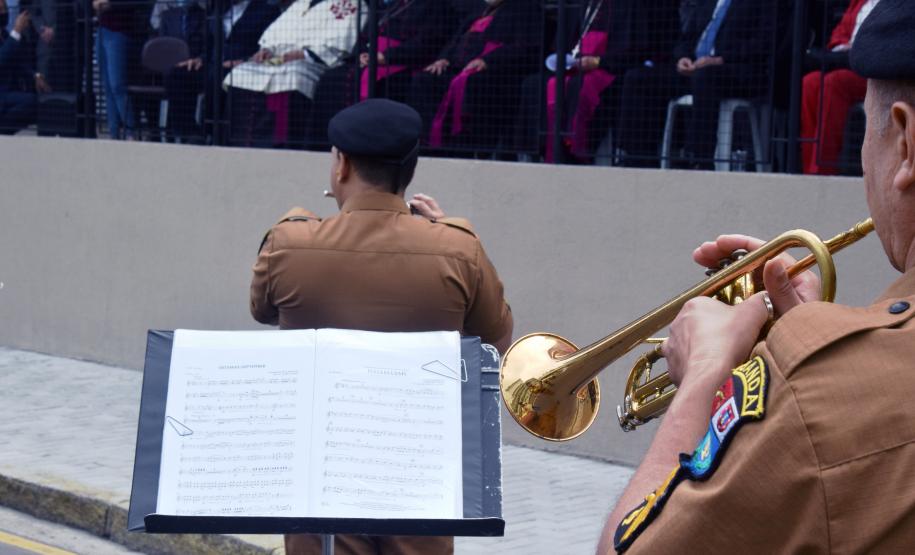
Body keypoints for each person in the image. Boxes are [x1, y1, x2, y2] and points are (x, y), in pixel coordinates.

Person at [599, 1, 915, 552]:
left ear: (905, 143)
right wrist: (809, 331)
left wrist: (704, 376)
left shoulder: (817, 394)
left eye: (869, 130)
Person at [250, 98, 514, 555]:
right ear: (409, 171)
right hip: (418, 469)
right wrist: (444, 231)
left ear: (342, 164)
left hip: (320, 469)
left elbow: (262, 309)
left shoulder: (289, 242)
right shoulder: (458, 249)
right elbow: (496, 341)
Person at [616, 0, 779, 168]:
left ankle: (698, 158)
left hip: (737, 70)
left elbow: (764, 42)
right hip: (697, 69)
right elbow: (686, 38)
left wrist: (721, 59)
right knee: (637, 78)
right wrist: (683, 58)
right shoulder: (708, 2)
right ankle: (636, 157)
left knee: (705, 77)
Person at [513, 0, 679, 162]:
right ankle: (539, 151)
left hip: (610, 69)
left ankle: (573, 149)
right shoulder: (585, 4)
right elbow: (564, 44)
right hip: (577, 67)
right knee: (534, 84)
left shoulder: (630, 4)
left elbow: (634, 52)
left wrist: (599, 61)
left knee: (582, 87)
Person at [305, 0, 456, 148]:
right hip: (373, 58)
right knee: (331, 78)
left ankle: (362, 142)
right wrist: (362, 54)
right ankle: (326, 143)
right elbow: (364, 36)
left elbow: (426, 42)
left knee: (374, 82)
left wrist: (386, 56)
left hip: (400, 60)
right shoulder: (393, 5)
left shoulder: (434, 4)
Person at [224, 0, 366, 147]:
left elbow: (340, 40)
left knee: (293, 76)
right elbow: (276, 32)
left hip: (313, 62)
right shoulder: (302, 3)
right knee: (240, 74)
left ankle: (281, 143)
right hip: (278, 60)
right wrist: (267, 50)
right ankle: (242, 141)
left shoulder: (349, 2)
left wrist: (304, 53)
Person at [407, 0, 539, 151]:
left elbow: (525, 48)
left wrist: (487, 60)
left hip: (495, 73)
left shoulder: (525, 8)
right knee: (425, 80)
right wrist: (444, 59)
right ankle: (429, 144)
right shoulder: (480, 10)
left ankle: (465, 147)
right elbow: (456, 40)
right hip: (459, 68)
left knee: (472, 84)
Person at [164, 0, 280, 141]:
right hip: (212, 65)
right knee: (178, 73)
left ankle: (211, 131)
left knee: (220, 75)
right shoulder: (219, 9)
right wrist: (199, 58)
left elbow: (269, 47)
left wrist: (244, 60)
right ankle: (189, 132)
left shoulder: (267, 10)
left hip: (241, 67)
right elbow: (210, 42)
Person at [800, 0, 880, 175]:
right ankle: (807, 170)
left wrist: (858, 49)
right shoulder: (859, 2)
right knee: (810, 83)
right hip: (848, 63)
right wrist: (844, 48)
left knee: (834, 83)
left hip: (876, 73)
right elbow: (839, 35)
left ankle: (822, 169)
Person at [0, 2, 46, 134]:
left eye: (4, 9)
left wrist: (35, 75)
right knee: (31, 102)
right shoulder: (11, 37)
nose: (3, 13)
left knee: (39, 101)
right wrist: (16, 32)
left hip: (8, 93)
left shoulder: (4, 35)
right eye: (0, 10)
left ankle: (4, 133)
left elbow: (18, 61)